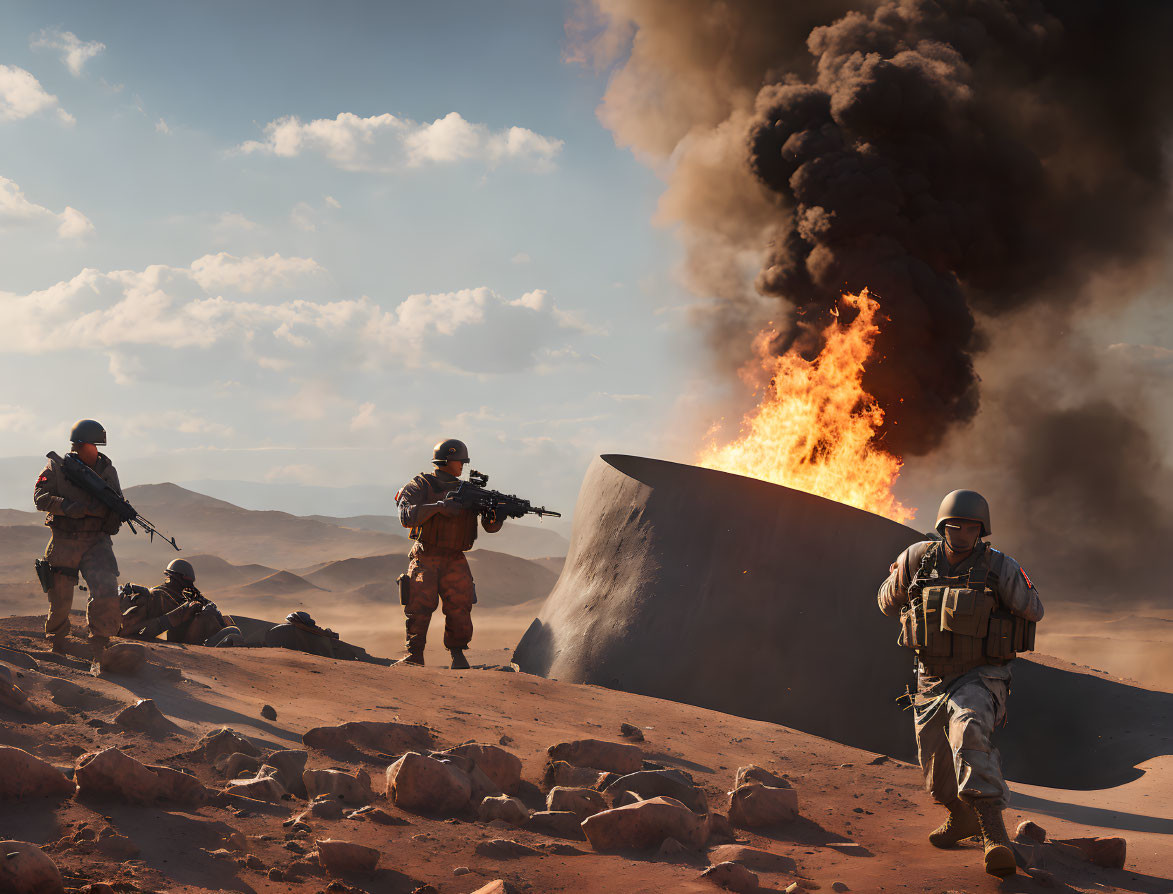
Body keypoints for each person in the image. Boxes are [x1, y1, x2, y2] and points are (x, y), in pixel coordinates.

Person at [877, 489, 1043, 878]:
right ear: (943, 527)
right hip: (930, 677)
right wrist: (895, 578)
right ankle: (960, 817)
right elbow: (886, 602)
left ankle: (993, 834)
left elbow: (1034, 608)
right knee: (934, 764)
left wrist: (1003, 599)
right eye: (956, 526)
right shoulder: (917, 558)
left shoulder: (1000, 566)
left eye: (971, 527)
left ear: (982, 530)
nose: (963, 533)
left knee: (968, 728)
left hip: (980, 674)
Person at [394, 438, 504, 668]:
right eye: (458, 461)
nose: (462, 465)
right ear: (445, 461)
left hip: (455, 557)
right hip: (426, 555)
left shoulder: (469, 492)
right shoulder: (421, 485)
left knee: (460, 606)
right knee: (418, 606)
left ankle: (458, 654)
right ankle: (414, 655)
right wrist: (440, 507)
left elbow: (489, 527)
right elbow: (406, 516)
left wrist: (497, 516)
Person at [32, 419, 124, 657]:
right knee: (60, 596)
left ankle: (100, 642)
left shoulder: (107, 470)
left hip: (97, 540)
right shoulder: (57, 467)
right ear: (79, 445)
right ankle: (58, 641)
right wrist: (69, 507)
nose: (96, 451)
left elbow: (116, 500)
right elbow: (40, 498)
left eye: (97, 446)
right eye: (91, 445)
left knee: (106, 587)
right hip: (65, 539)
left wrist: (116, 515)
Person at [119, 558, 242, 646]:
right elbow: (145, 630)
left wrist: (206, 607)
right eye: (185, 581)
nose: (189, 585)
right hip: (187, 644)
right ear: (175, 578)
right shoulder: (157, 595)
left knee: (228, 625)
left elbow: (207, 604)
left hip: (193, 639)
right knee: (208, 620)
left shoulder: (185, 595)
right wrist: (185, 611)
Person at [263, 611, 387, 663]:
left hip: (330, 649)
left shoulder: (305, 630)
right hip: (328, 653)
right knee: (359, 654)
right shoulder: (289, 630)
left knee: (359, 652)